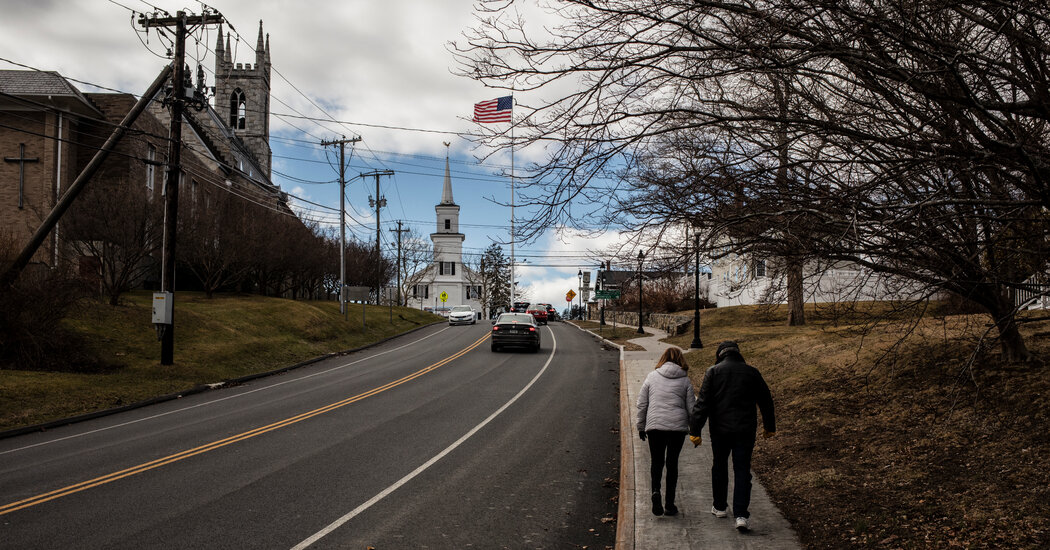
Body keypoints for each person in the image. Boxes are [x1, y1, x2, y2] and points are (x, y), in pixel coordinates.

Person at [689, 340, 775, 532]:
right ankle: (741, 515)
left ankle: (719, 507)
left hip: (720, 430)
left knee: (719, 466)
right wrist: (769, 426)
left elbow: (702, 404)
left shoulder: (713, 372)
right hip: (745, 430)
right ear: (738, 353)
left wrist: (695, 430)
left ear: (720, 355)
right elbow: (766, 401)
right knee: (742, 469)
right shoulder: (752, 373)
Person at [636, 346, 696, 516]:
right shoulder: (685, 380)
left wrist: (641, 426)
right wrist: (694, 430)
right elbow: (692, 408)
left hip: (655, 427)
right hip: (677, 429)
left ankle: (655, 491)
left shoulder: (652, 376)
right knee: (672, 464)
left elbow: (642, 404)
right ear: (680, 360)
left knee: (656, 462)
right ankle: (669, 504)